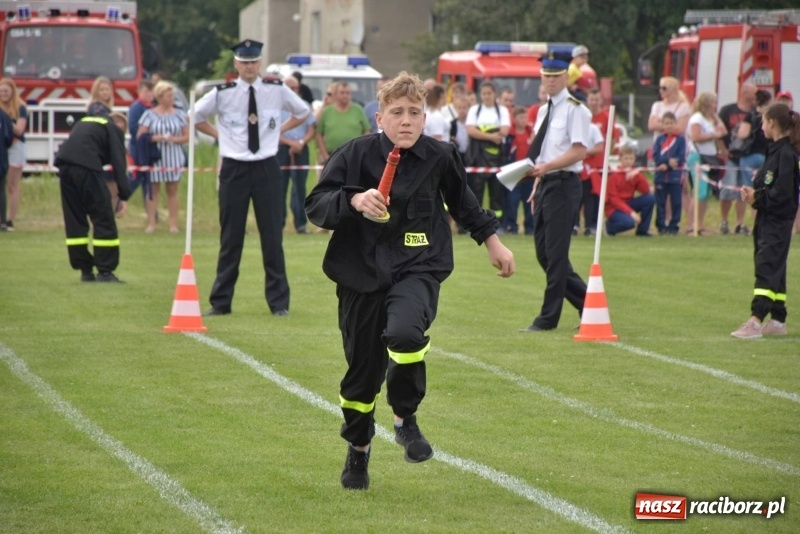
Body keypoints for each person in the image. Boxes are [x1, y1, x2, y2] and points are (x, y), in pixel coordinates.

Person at [305, 71, 515, 491]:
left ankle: (405, 418)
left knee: (404, 333)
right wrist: (354, 199)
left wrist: (493, 242)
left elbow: (464, 203)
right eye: (397, 112)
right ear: (380, 117)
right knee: (361, 378)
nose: (406, 120)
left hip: (418, 266)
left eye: (414, 113)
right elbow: (315, 203)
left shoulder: (440, 156)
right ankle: (358, 451)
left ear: (424, 117)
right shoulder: (354, 154)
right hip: (360, 275)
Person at [193, 39, 309, 317]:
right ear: (236, 64)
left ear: (260, 63)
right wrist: (220, 136)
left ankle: (279, 303)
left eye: (253, 61)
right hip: (234, 166)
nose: (249, 66)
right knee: (231, 237)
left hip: (266, 166)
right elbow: (194, 116)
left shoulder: (276, 89)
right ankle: (221, 302)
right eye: (244, 61)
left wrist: (280, 129)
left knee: (272, 236)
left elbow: (303, 112)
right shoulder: (223, 93)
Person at [522, 50, 590, 332]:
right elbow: (543, 152)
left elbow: (579, 151)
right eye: (545, 76)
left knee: (557, 254)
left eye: (555, 76)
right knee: (544, 254)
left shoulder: (576, 109)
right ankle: (590, 305)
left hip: (564, 184)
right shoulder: (542, 110)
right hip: (546, 184)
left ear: (566, 77)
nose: (549, 81)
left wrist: (547, 167)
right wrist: (538, 181)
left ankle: (547, 318)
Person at [732, 103, 800, 339]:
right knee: (776, 267)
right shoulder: (775, 151)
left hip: (777, 220)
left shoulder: (787, 154)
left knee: (767, 265)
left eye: (763, 121)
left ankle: (755, 320)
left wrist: (756, 197)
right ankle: (778, 319)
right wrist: (753, 192)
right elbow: (769, 184)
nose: (761, 126)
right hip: (767, 217)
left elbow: (782, 194)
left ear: (772, 123)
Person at [55, 114, 130, 283]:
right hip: (87, 168)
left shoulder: (85, 122)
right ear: (118, 125)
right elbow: (119, 163)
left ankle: (85, 270)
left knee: (75, 219)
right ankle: (105, 272)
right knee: (103, 217)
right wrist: (123, 196)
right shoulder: (113, 129)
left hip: (64, 166)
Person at [137, 81, 189, 234]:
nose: (171, 98)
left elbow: (187, 136)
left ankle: (173, 224)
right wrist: (156, 138)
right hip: (156, 156)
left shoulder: (180, 115)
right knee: (153, 189)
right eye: (168, 96)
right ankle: (152, 223)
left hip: (174, 156)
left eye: (172, 95)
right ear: (159, 97)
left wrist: (174, 139)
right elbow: (141, 135)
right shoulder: (149, 114)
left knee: (172, 189)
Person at [466, 81, 510, 219]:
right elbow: (470, 130)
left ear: (494, 94)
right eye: (483, 93)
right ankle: (475, 221)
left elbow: (504, 130)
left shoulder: (502, 110)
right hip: (478, 156)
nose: (486, 96)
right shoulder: (475, 110)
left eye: (489, 93)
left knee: (496, 193)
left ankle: (495, 223)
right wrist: (491, 136)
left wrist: (482, 132)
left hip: (497, 157)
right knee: (476, 191)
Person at [277, 75, 315, 234]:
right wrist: (291, 143)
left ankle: (300, 224)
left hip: (301, 149)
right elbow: (271, 132)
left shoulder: (304, 105)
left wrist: (300, 143)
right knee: (280, 188)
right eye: (289, 88)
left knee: (300, 188)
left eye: (295, 88)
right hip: (281, 149)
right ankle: (278, 224)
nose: (293, 91)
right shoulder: (275, 107)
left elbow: (312, 129)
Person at [718, 84, 757, 235]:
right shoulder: (728, 110)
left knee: (743, 191)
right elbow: (720, 132)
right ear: (745, 93)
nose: (756, 96)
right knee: (728, 189)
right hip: (731, 157)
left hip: (746, 158)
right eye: (754, 93)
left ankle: (740, 223)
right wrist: (723, 150)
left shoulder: (755, 113)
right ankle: (724, 221)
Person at [686, 92, 726, 235]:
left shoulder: (708, 119)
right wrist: (713, 135)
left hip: (709, 157)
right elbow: (695, 136)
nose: (715, 105)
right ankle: (691, 225)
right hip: (698, 157)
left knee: (706, 193)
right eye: (713, 102)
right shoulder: (697, 118)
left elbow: (723, 131)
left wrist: (715, 117)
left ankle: (700, 224)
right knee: (699, 191)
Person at [315, 81, 371, 166]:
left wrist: (363, 150)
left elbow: (367, 131)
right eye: (342, 93)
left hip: (354, 155)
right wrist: (325, 155)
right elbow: (318, 134)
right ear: (336, 94)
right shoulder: (326, 111)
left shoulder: (358, 110)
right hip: (331, 155)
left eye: (348, 93)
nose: (345, 95)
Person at [604, 145, 655, 236]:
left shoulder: (634, 174)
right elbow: (613, 200)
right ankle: (609, 227)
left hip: (628, 203)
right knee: (629, 223)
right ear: (620, 159)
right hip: (614, 208)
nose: (628, 161)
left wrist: (638, 174)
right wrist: (631, 213)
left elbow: (646, 190)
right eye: (626, 159)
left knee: (650, 198)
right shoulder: (614, 176)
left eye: (631, 159)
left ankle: (642, 231)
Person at [652, 112, 686, 235]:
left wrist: (668, 164)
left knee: (676, 202)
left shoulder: (680, 139)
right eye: (666, 123)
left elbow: (681, 157)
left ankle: (674, 226)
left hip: (675, 177)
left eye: (671, 123)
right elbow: (655, 156)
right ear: (662, 125)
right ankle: (661, 226)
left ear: (675, 124)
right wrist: (666, 162)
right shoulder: (659, 139)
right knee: (660, 202)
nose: (669, 126)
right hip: (661, 176)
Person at [0, 78, 27, 231]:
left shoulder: (20, 107)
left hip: (16, 146)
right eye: (1, 91)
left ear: (12, 92)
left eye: (6, 91)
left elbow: (19, 130)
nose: (3, 94)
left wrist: (6, 122)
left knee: (12, 185)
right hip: (2, 146)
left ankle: (10, 219)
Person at [502, 106, 534, 235]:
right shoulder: (510, 135)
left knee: (529, 200)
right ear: (514, 119)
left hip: (529, 173)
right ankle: (511, 226)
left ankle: (530, 227)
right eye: (521, 117)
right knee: (512, 201)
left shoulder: (531, 132)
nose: (524, 120)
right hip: (514, 173)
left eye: (525, 117)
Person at [127, 79, 155, 199]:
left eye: (151, 91)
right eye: (146, 91)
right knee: (135, 178)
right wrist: (148, 134)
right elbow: (133, 128)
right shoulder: (136, 107)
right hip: (137, 148)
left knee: (147, 180)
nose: (149, 94)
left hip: (147, 149)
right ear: (139, 91)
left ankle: (151, 211)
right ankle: (119, 200)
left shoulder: (152, 107)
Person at [647, 76, 691, 143]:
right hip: (659, 146)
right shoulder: (657, 105)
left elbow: (680, 128)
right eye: (660, 88)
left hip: (676, 147)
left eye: (664, 88)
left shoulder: (683, 107)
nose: (660, 90)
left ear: (673, 89)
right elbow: (651, 126)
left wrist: (660, 123)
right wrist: (672, 125)